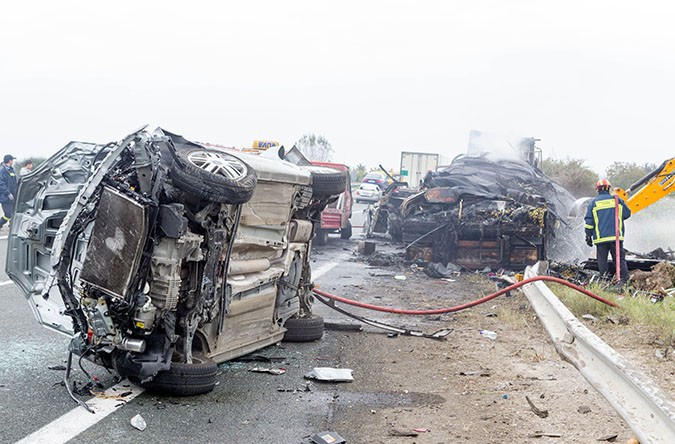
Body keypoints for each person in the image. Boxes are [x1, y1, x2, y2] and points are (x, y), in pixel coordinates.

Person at [584, 178, 631, 283]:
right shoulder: (617, 200)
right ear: (609, 188)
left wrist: (588, 236)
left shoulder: (593, 203)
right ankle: (624, 280)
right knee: (619, 260)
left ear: (598, 189)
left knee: (602, 260)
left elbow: (589, 223)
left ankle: (605, 281)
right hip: (616, 237)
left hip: (601, 238)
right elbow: (627, 214)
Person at [0, 154, 17, 229]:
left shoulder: (11, 169)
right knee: (8, 214)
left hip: (12, 196)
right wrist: (8, 193)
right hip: (5, 197)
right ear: (9, 161)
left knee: (13, 213)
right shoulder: (2, 170)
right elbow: (1, 184)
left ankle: (13, 227)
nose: (13, 161)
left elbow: (14, 183)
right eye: (12, 160)